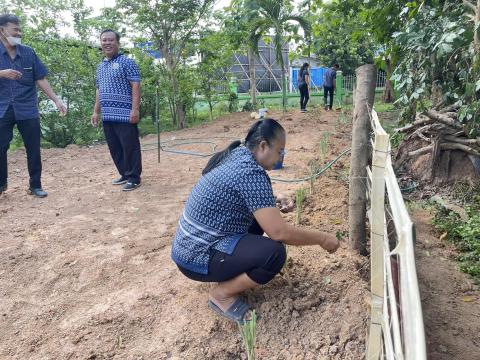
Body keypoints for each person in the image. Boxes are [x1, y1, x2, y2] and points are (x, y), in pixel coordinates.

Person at [171, 118, 340, 323]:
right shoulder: (251, 173)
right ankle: (222, 294)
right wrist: (322, 238)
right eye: (280, 151)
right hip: (197, 256)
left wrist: (273, 199)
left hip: (188, 247)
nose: (280, 157)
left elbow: (239, 193)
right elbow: (279, 233)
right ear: (262, 146)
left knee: (262, 222)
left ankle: (228, 271)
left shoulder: (238, 155)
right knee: (273, 254)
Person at [0, 14, 67, 198]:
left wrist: (56, 100)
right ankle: (1, 185)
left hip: (27, 108)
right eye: (15, 29)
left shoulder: (28, 52)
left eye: (20, 29)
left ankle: (35, 185)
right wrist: (2, 73)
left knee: (33, 147)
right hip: (2, 108)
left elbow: (40, 78)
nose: (19, 33)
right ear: (2, 30)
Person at [91, 29, 142, 191]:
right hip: (107, 115)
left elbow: (136, 85)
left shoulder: (127, 62)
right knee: (115, 147)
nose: (107, 43)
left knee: (130, 146)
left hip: (125, 114)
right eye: (104, 40)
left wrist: (135, 110)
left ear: (118, 43)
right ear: (101, 43)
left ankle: (134, 177)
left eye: (110, 40)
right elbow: (99, 90)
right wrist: (96, 111)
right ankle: (125, 174)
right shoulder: (100, 66)